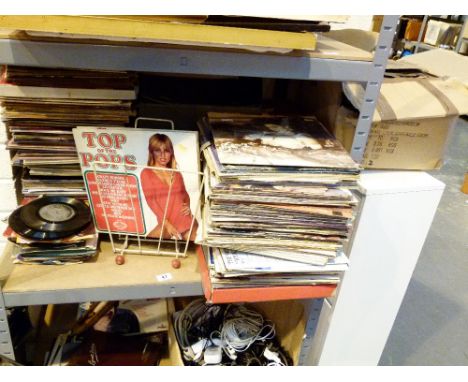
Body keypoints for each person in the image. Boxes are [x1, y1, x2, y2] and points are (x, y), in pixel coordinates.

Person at [140, 133, 198, 241]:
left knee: (193, 252)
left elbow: (185, 195)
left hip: (184, 219)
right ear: (152, 152)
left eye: (166, 151)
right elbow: (152, 202)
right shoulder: (146, 173)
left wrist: (187, 207)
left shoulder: (176, 173)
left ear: (171, 152)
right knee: (147, 246)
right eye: (158, 150)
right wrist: (167, 224)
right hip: (165, 221)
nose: (163, 155)